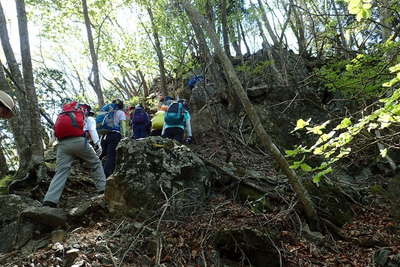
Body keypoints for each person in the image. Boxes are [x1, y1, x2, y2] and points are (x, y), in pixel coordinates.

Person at [43, 102, 105, 208]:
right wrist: (98, 144)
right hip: (79, 142)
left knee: (61, 172)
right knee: (95, 163)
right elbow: (92, 130)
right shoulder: (87, 117)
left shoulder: (64, 114)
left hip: (62, 144)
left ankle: (49, 201)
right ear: (87, 111)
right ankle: (103, 189)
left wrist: (50, 145)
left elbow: (54, 133)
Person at [100, 99, 127, 177]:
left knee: (104, 155)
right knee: (111, 156)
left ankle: (99, 174)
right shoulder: (121, 113)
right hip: (115, 135)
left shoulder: (107, 112)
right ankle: (106, 176)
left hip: (104, 136)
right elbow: (123, 125)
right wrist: (124, 136)